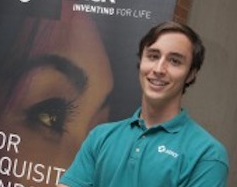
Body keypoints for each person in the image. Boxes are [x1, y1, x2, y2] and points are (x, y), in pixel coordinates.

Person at [58, 21, 229, 187]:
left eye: (175, 61)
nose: (159, 69)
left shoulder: (207, 155)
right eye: (153, 56)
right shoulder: (101, 137)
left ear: (191, 74)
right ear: (141, 62)